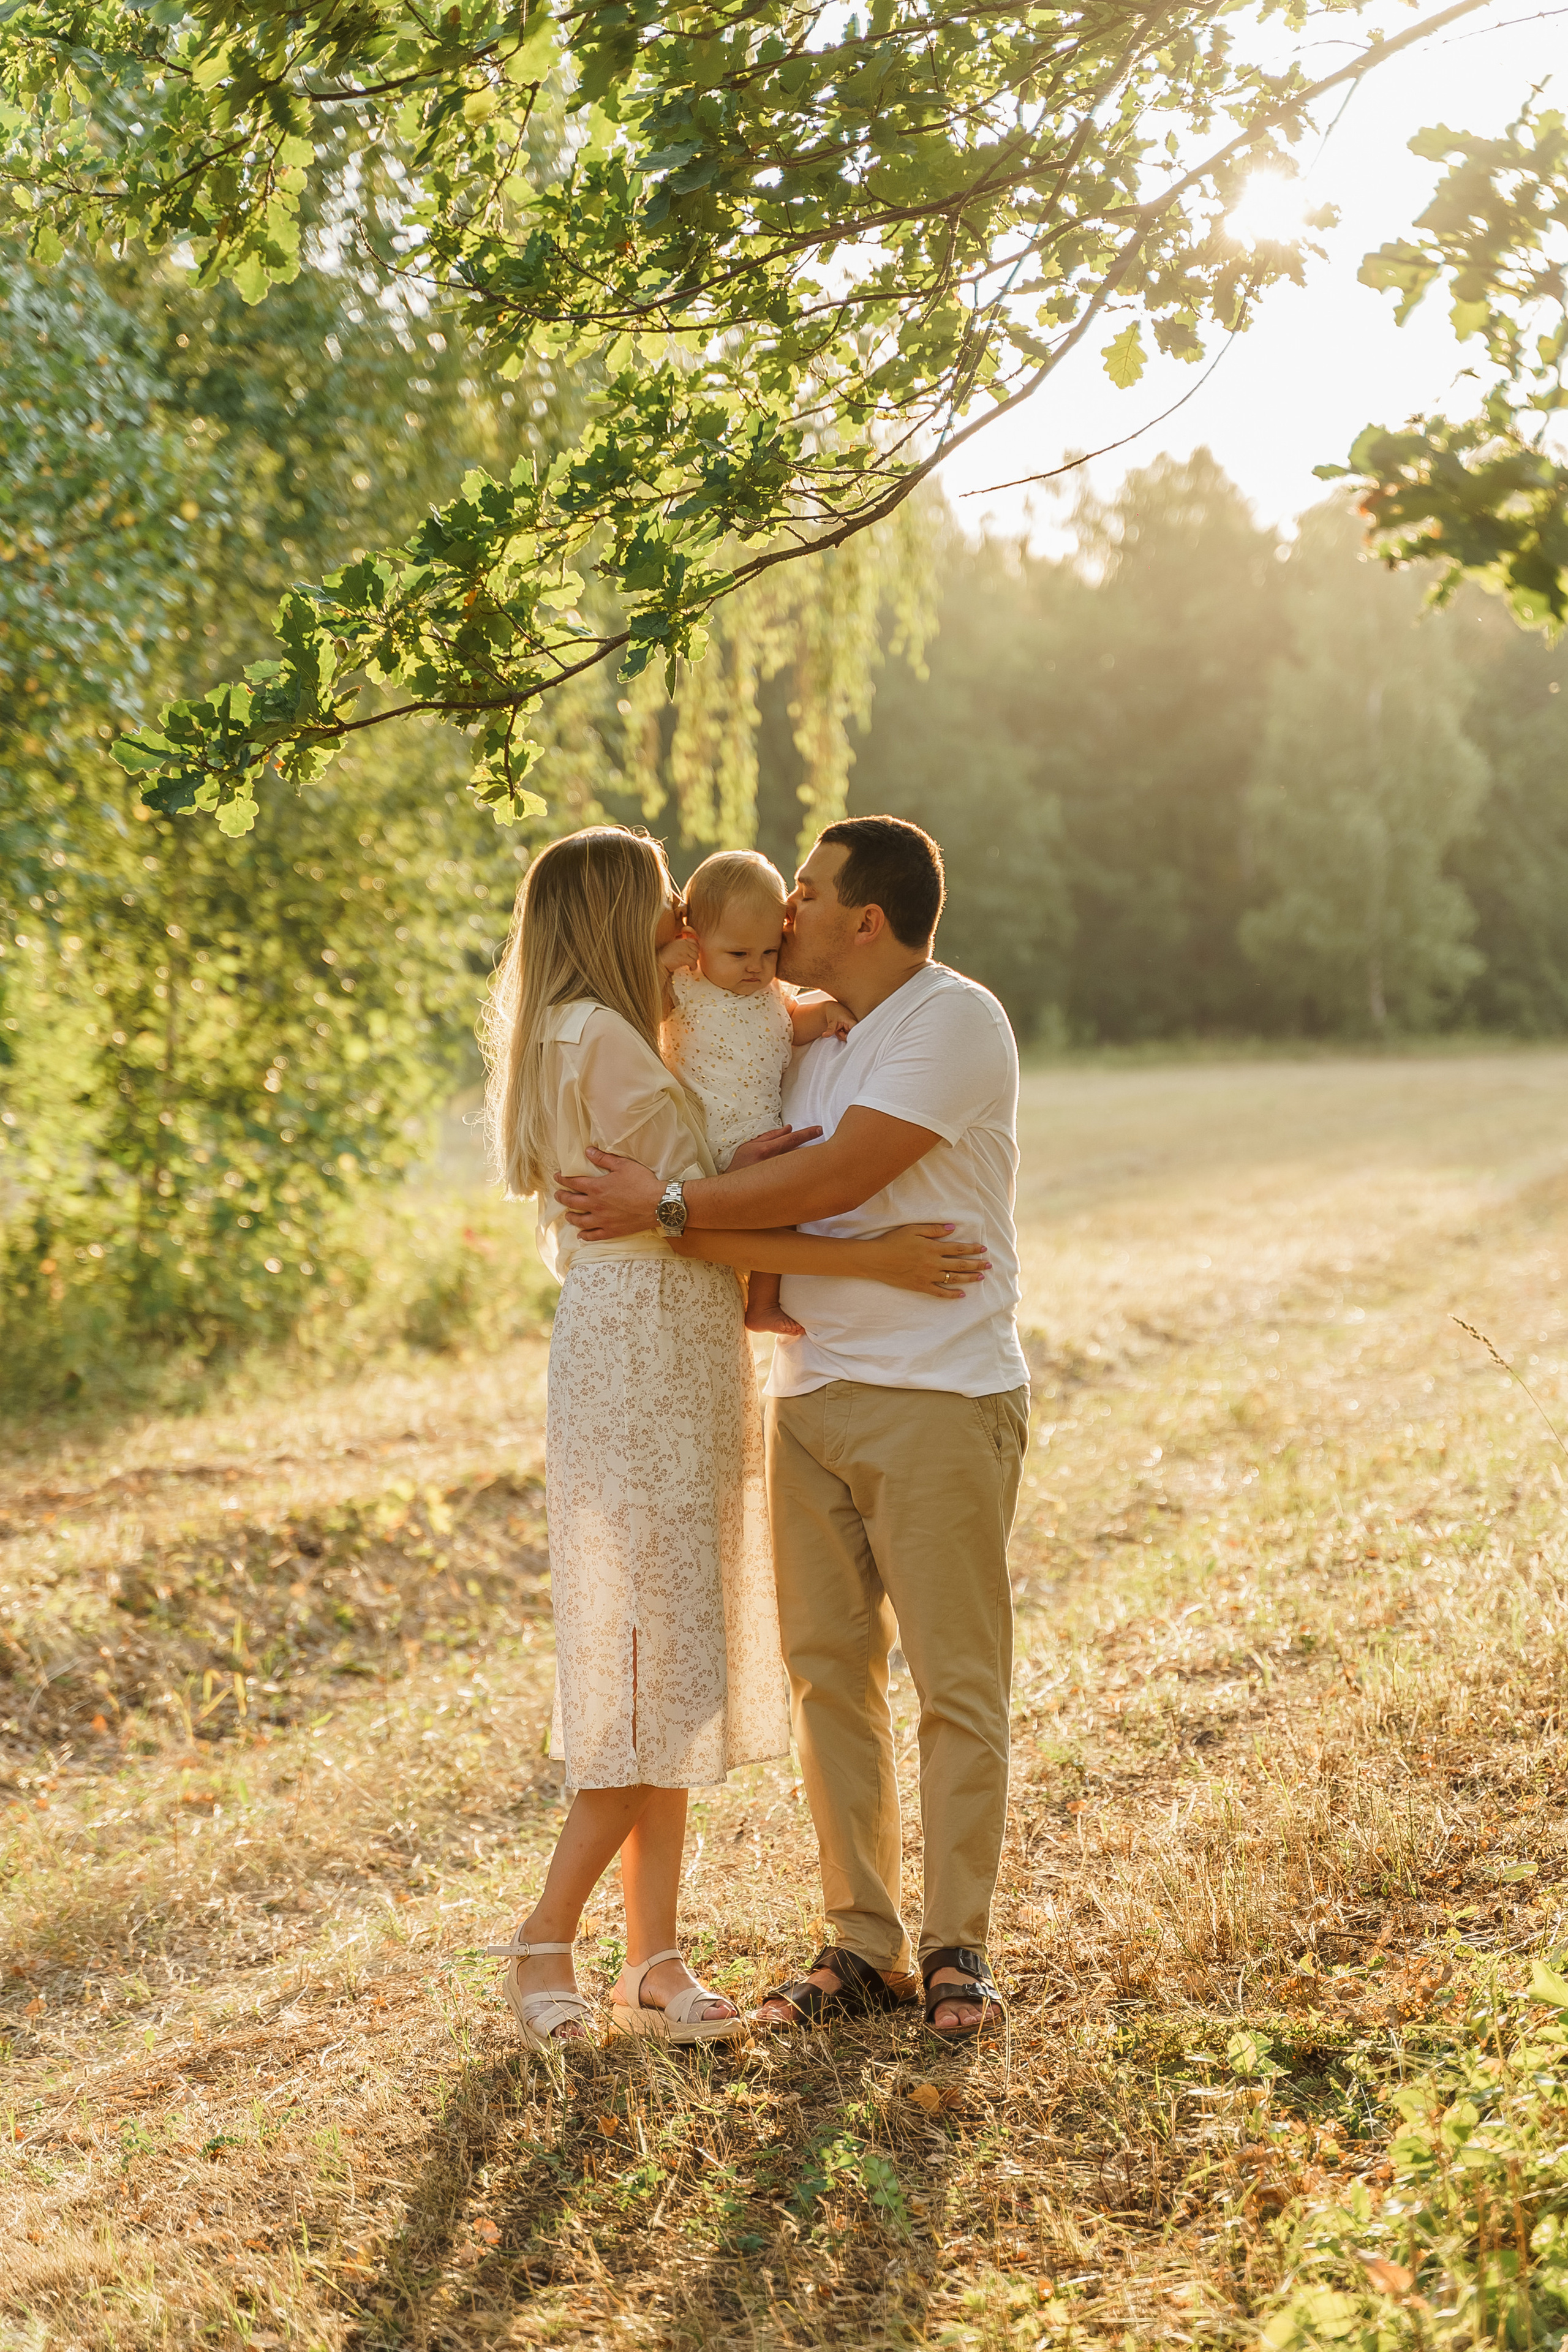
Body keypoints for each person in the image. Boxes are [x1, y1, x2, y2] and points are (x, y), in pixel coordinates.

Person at [481, 824, 990, 2050]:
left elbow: (692, 1181)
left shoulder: (626, 1019)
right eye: (661, 905)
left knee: (673, 1662)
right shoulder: (597, 1036)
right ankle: (543, 1938)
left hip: (687, 1342)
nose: (681, 923)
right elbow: (686, 1211)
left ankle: (650, 1959)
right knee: (645, 1664)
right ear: (616, 919)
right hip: (645, 1345)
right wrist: (826, 1229)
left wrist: (736, 1127)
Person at [660, 847, 854, 1338]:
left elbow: (791, 1024)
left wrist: (827, 1014)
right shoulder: (686, 986)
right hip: (703, 1143)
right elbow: (636, 1008)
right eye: (739, 954)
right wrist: (662, 964)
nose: (757, 967)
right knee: (713, 1237)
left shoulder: (772, 995)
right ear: (694, 942)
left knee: (781, 1218)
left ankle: (761, 1304)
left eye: (769, 952)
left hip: (761, 1134)